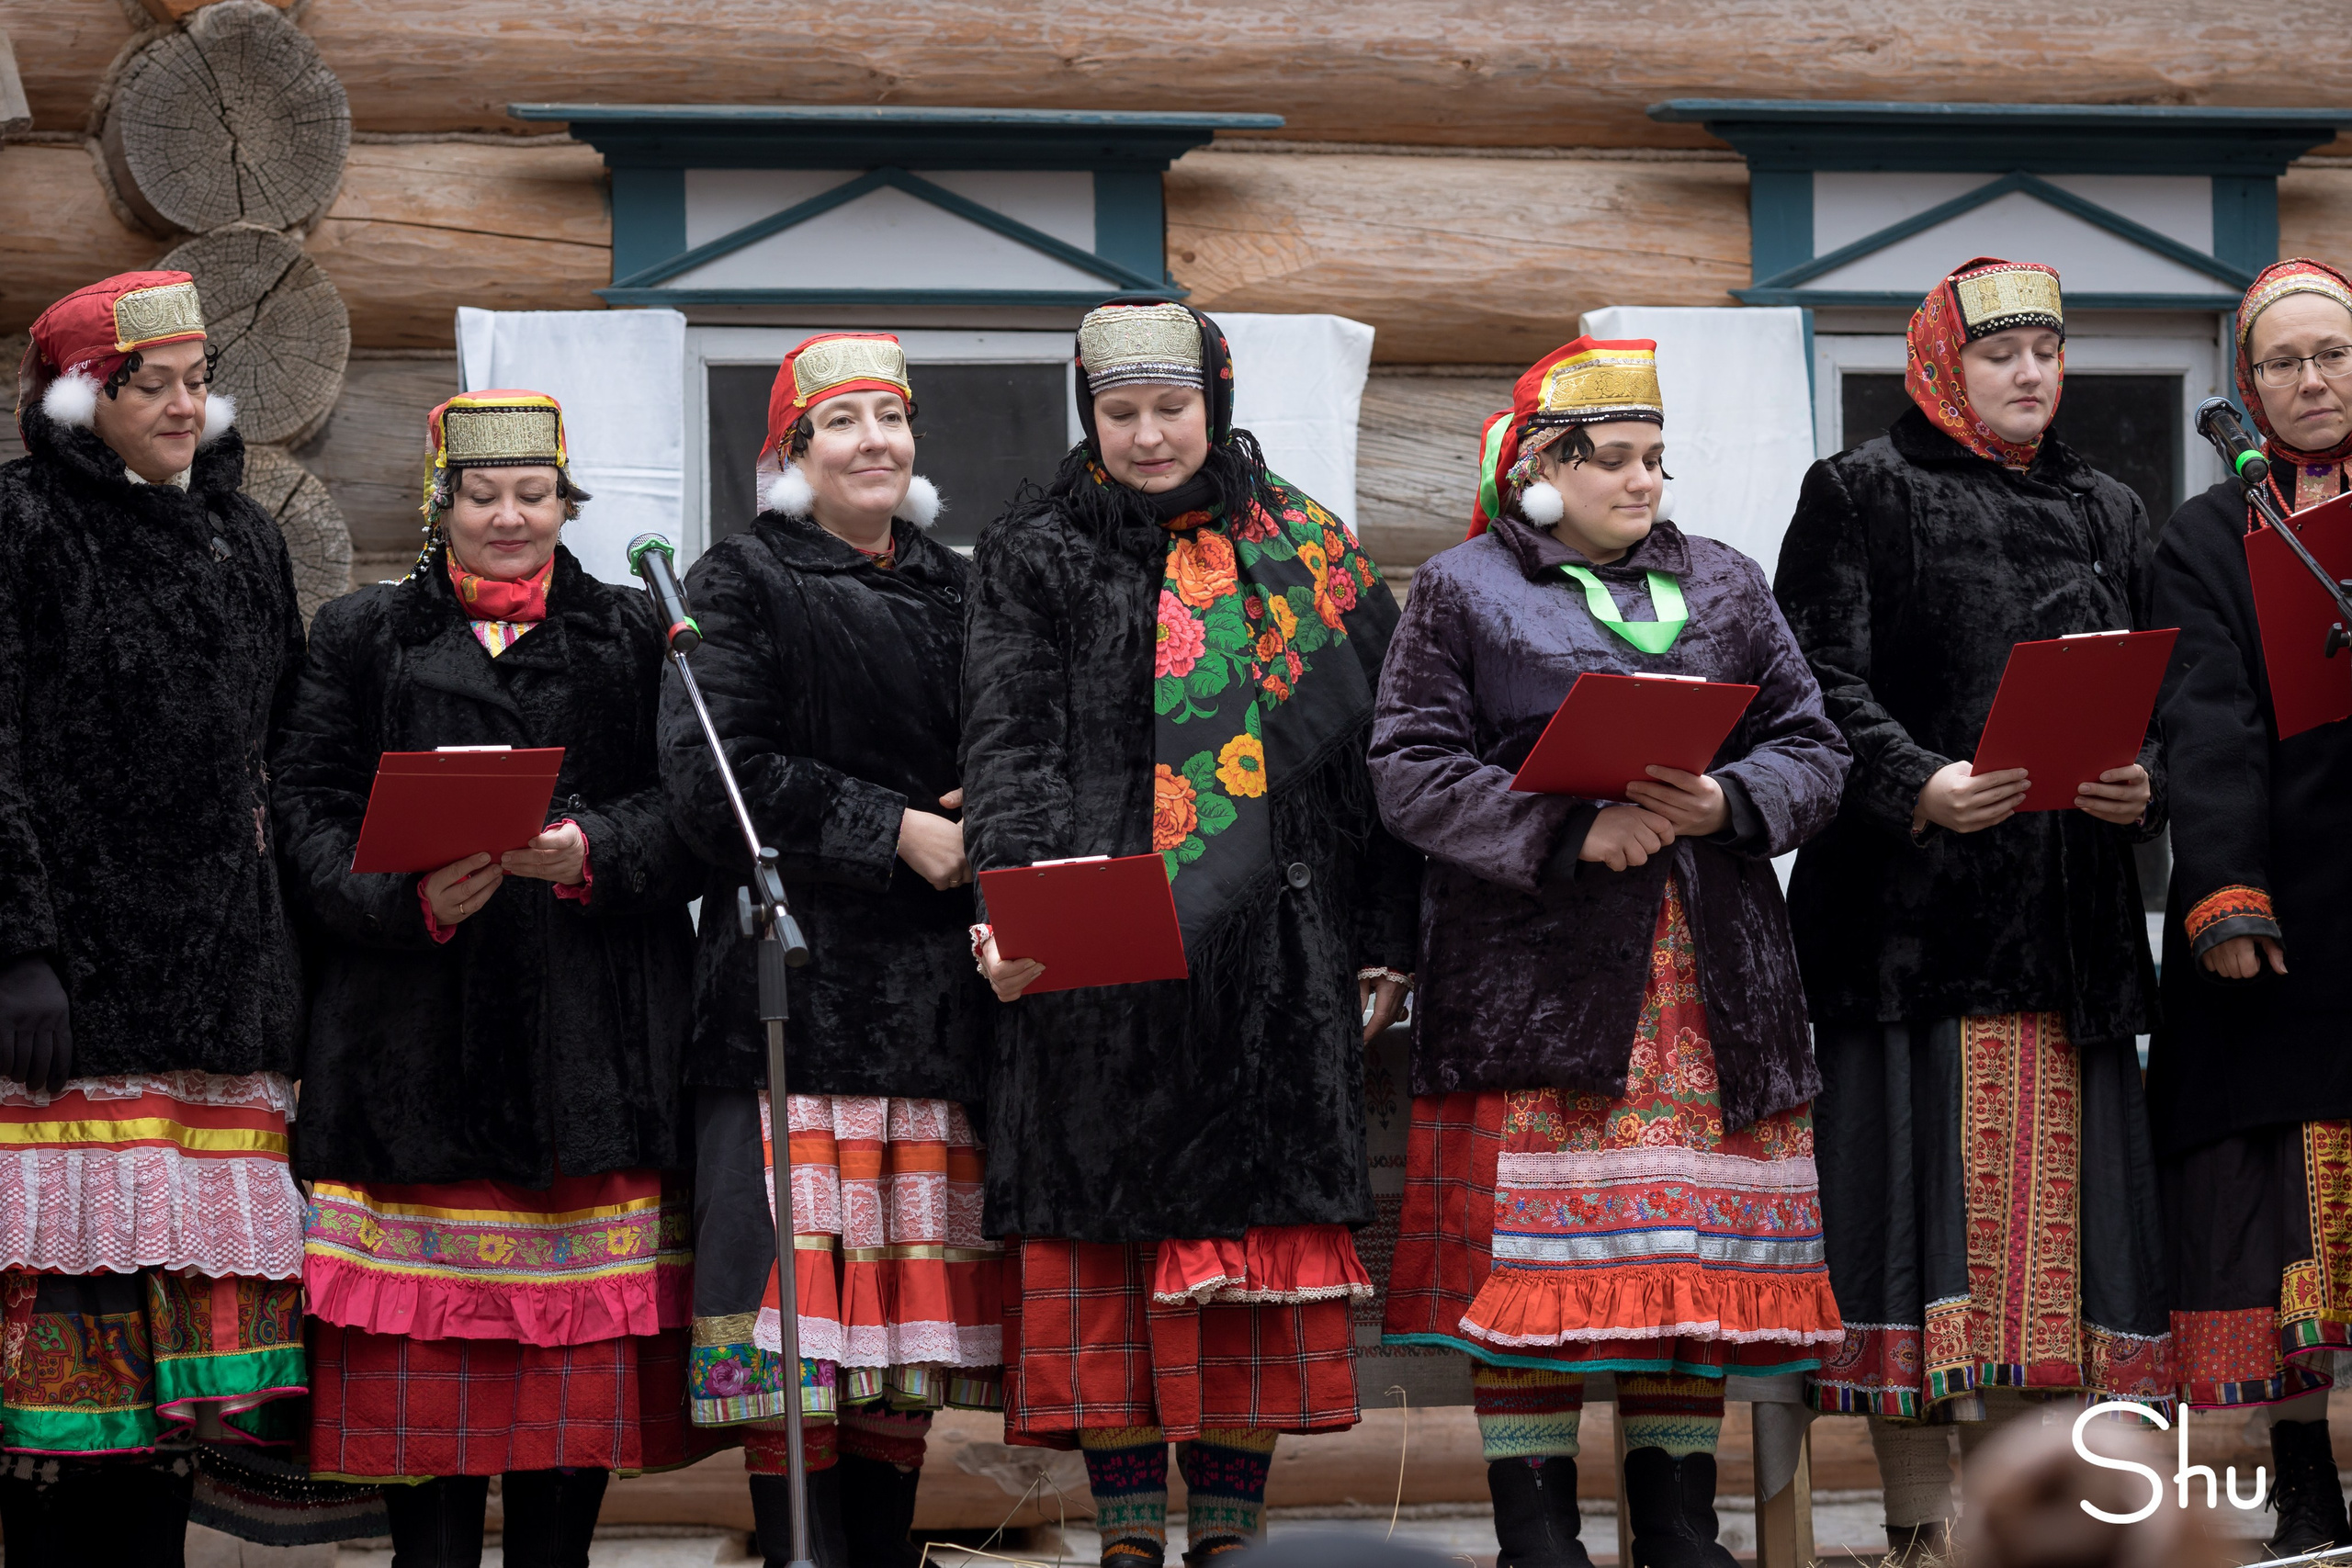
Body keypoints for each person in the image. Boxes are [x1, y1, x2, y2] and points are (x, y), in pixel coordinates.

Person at [1369, 337, 1849, 1568]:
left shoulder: (1730, 585)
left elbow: (1816, 747)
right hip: (1537, 981)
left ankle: (1681, 1527)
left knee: (1674, 1254)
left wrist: (1726, 803)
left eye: (1655, 459)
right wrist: (1572, 827)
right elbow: (1410, 769)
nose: (1644, 483)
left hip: (1707, 980)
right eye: (1616, 461)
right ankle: (1538, 1534)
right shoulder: (1461, 588)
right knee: (1543, 1265)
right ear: (1542, 465)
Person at [961, 299, 1419, 1567]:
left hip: (1280, 951)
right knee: (1110, 1239)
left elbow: (1375, 768)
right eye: (1121, 414)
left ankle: (1227, 1533)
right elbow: (1009, 741)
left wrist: (1387, 938)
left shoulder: (1310, 548)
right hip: (1100, 941)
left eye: (1173, 408)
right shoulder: (1036, 548)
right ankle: (1123, 1537)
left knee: (1251, 1238)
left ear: (1215, 401)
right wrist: (1022, 898)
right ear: (1088, 416)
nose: (1150, 435)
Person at [1772, 258, 2174, 1563]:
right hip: (1913, 929)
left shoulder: (2111, 504)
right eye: (2001, 351)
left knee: (2059, 1262)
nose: (2029, 373)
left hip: (2072, 927)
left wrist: (2142, 782)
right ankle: (1913, 1530)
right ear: (1943, 358)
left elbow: (2164, 694)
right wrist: (1918, 782)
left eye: (2047, 350)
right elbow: (1813, 678)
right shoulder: (1858, 491)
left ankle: (2039, 1530)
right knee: (1918, 1245)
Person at [272, 389, 703, 1566]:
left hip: (587, 1057)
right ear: (440, 502)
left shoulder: (630, 634)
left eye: (534, 494)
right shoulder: (362, 636)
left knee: (565, 1427)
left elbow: (695, 812)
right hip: (411, 1052)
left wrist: (590, 852)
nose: (509, 517)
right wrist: (400, 901)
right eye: (482, 495)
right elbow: (304, 812)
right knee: (430, 1423)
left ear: (567, 499)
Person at [660, 334, 997, 1568]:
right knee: (796, 1339)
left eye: (892, 419)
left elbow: (1011, 746)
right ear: (793, 451)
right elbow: (712, 780)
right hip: (790, 1002)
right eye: (843, 420)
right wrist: (891, 826)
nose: (876, 442)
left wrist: (989, 810)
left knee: (897, 1345)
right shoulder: (741, 578)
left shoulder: (960, 588)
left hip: (935, 1007)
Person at [0, 270, 309, 1562]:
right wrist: (17, 947)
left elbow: (281, 749)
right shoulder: (19, 526)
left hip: (218, 1003)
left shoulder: (245, 539)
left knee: (172, 1408)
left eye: (197, 378)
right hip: (71, 1005)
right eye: (153, 384)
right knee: (61, 1397)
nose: (187, 405)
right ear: (85, 397)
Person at [2146, 257, 2352, 1554]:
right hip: (2288, 902)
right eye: (2283, 362)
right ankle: (2306, 1480)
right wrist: (2223, 888)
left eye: (2332, 353)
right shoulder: (2209, 533)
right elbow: (2201, 717)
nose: (2313, 380)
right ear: (2246, 384)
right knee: (2289, 1201)